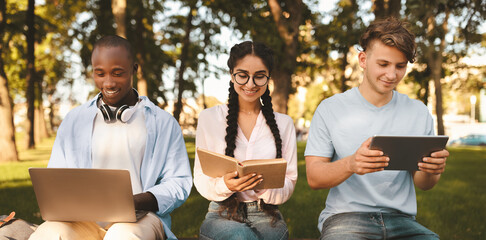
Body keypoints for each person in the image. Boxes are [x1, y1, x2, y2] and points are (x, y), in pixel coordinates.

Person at [29, 35, 192, 240]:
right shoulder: (73, 120)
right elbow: (55, 177)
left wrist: (138, 201)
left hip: (139, 219)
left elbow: (179, 182)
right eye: (100, 73)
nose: (108, 82)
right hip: (82, 221)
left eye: (117, 73)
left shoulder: (163, 122)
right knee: (48, 234)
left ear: (134, 68)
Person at [305, 17, 449, 239]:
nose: (392, 75)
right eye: (383, 64)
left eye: (400, 66)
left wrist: (432, 170)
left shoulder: (418, 112)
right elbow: (314, 178)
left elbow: (424, 184)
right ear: (363, 59)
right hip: (346, 218)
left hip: (401, 220)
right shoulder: (330, 109)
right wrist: (351, 163)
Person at [193, 41, 298, 240]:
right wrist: (226, 185)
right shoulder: (209, 118)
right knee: (241, 236)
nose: (250, 84)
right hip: (221, 212)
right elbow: (200, 177)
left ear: (268, 78)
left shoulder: (284, 124)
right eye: (242, 75)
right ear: (231, 75)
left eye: (259, 77)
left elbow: (290, 181)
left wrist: (263, 186)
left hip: (267, 214)